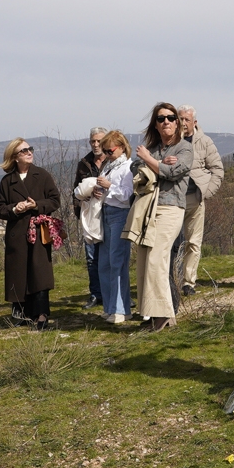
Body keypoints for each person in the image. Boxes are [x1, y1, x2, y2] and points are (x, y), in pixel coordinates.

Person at [126, 104, 192, 331]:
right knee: (145, 259)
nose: (166, 122)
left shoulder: (185, 148)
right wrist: (158, 163)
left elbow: (173, 173)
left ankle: (162, 315)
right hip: (149, 209)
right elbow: (135, 168)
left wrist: (152, 162)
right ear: (155, 124)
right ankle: (156, 314)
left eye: (171, 118)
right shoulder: (152, 148)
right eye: (161, 118)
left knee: (157, 258)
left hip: (171, 208)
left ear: (177, 122)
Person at [0, 139, 62, 330]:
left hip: (39, 232)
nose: (29, 152)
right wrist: (15, 209)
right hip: (17, 234)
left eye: (30, 149)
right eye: (23, 151)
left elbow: (55, 201)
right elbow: (0, 209)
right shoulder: (7, 181)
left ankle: (41, 315)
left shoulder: (42, 175)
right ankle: (22, 313)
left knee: (40, 273)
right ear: (14, 157)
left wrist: (36, 205)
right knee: (19, 273)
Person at [172, 106, 224, 298]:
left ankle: (188, 282)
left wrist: (206, 193)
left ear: (194, 122)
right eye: (180, 119)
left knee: (193, 242)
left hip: (195, 198)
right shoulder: (171, 140)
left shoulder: (205, 141)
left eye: (186, 119)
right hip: (172, 199)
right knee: (172, 242)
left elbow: (217, 169)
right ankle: (172, 280)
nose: (183, 123)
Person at [94, 130, 134, 324]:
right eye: (105, 151)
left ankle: (121, 309)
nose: (107, 155)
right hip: (106, 213)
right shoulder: (108, 167)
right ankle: (110, 307)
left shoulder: (128, 167)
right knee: (104, 263)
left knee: (118, 262)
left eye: (110, 151)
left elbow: (127, 195)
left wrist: (109, 186)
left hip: (120, 214)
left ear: (122, 147)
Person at [73, 128, 108, 309]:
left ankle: (114, 293)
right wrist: (84, 199)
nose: (95, 144)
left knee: (111, 257)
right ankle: (96, 294)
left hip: (109, 215)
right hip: (90, 217)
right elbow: (76, 190)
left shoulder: (114, 161)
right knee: (92, 258)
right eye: (92, 141)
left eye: (99, 141)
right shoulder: (84, 164)